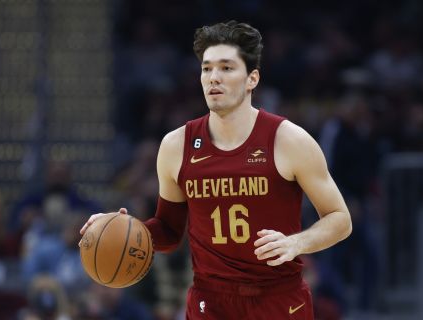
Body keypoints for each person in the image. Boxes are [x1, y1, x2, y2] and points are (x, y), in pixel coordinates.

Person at [80, 20, 352, 319]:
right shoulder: (176, 145)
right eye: (207, 69)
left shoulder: (289, 140)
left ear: (252, 79)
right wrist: (128, 231)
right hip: (211, 300)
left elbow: (340, 219)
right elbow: (170, 231)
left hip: (277, 296)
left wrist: (296, 242)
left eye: (226, 68)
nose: (213, 78)